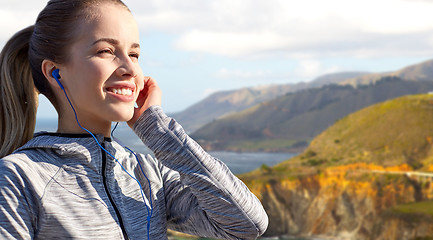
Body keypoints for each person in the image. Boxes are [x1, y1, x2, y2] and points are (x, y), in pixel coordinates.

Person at [0, 0, 268, 239]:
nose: (129, 68)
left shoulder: (149, 174)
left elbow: (246, 226)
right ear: (55, 72)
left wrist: (156, 128)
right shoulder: (18, 178)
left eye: (134, 54)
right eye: (106, 51)